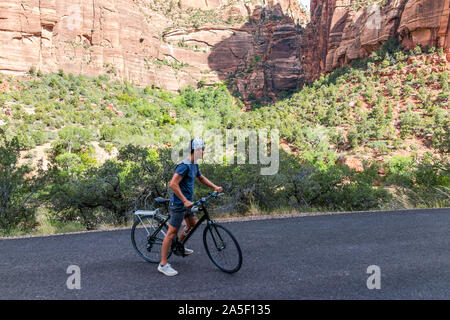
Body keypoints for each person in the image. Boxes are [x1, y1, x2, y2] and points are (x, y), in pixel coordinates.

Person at [158, 138, 223, 276]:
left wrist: (215, 187)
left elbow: (201, 178)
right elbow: (172, 184)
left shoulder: (194, 164)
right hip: (178, 204)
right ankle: (163, 264)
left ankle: (178, 247)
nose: (204, 152)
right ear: (197, 150)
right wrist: (184, 201)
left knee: (192, 223)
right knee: (171, 233)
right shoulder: (185, 165)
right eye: (203, 150)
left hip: (187, 202)